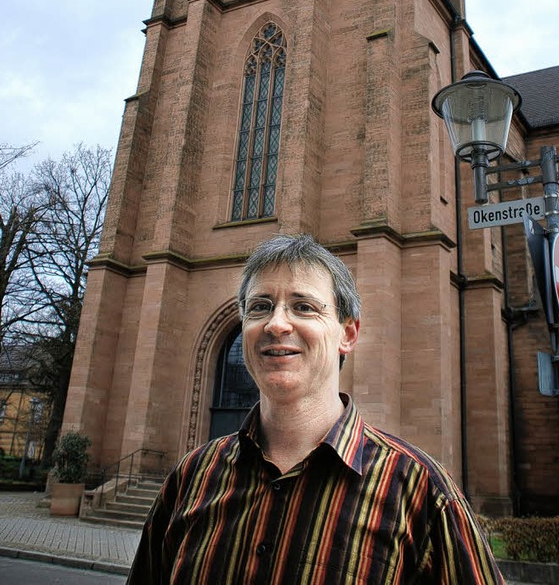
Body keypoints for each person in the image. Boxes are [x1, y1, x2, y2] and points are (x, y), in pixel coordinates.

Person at [127, 234, 504, 584]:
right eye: (260, 307)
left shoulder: (421, 491)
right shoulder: (192, 477)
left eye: (304, 307)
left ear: (348, 334)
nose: (276, 323)